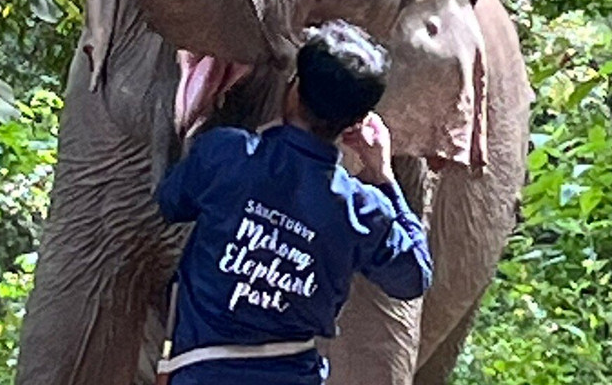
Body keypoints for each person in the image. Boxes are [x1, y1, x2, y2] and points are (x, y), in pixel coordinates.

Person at [156, 20, 433, 384]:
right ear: (357, 123)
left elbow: (170, 203)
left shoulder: (226, 154)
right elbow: (414, 277)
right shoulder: (360, 211)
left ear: (294, 89)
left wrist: (200, 124)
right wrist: (383, 177)